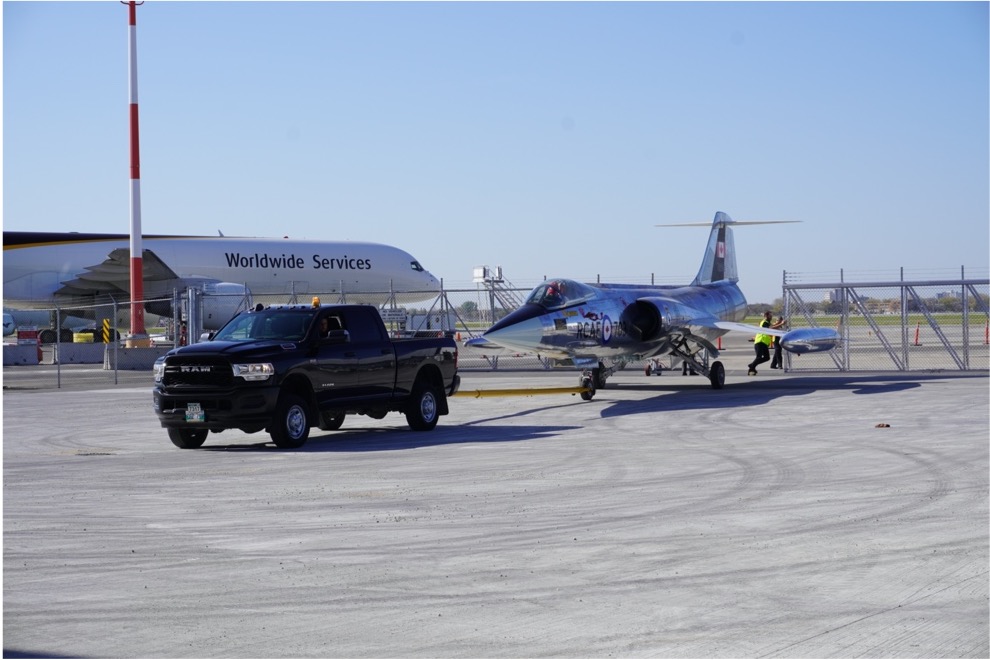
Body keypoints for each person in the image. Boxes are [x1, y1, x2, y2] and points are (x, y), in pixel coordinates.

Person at [747, 311, 775, 375]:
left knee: (767, 358)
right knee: (759, 357)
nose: (771, 317)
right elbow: (771, 328)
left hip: (764, 343)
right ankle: (752, 367)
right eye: (770, 316)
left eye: (771, 316)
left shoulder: (767, 322)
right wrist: (781, 324)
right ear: (766, 316)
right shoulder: (764, 322)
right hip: (760, 342)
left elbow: (772, 327)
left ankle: (752, 366)